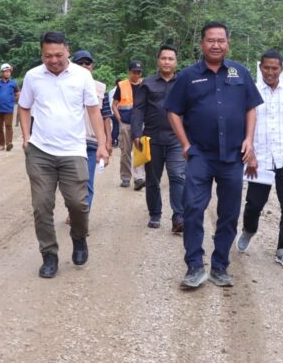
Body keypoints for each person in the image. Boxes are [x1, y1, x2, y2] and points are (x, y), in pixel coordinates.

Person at [165, 21, 263, 289]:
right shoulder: (188, 76)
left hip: (233, 157)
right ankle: (195, 266)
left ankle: (220, 266)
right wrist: (185, 144)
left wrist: (249, 140)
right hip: (200, 156)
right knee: (193, 208)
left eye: (221, 40)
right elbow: (173, 110)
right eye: (211, 40)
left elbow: (251, 108)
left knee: (229, 213)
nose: (216, 45)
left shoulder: (239, 73)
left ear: (228, 43)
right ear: (202, 44)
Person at [18, 32, 110, 279]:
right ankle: (49, 255)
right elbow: (24, 107)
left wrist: (102, 144)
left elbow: (93, 111)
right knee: (41, 206)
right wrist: (26, 136)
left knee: (78, 204)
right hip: (40, 151)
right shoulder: (33, 76)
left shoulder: (82, 76)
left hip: (73, 150)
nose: (54, 60)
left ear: (68, 51)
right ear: (42, 54)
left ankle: (79, 238)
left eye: (59, 55)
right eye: (48, 56)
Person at [236, 50, 283, 268]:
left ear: (281, 69)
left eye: (274, 68)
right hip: (260, 160)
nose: (270, 72)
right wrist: (251, 156)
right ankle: (249, 230)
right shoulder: (251, 92)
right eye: (266, 68)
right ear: (260, 68)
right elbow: (243, 126)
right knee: (254, 204)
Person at [131, 44, 185, 232]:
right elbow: (138, 109)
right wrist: (136, 133)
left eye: (171, 59)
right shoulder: (147, 84)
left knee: (178, 176)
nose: (167, 62)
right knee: (153, 178)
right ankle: (155, 213)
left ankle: (179, 217)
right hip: (151, 138)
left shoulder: (184, 83)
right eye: (164, 58)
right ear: (158, 61)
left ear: (176, 62)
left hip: (176, 139)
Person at [71, 50, 113, 212]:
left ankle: (82, 218)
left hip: (91, 142)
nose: (84, 66)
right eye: (79, 63)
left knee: (87, 181)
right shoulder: (65, 86)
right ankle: (74, 211)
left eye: (87, 63)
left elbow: (106, 116)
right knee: (71, 183)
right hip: (70, 142)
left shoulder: (100, 88)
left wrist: (108, 141)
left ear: (92, 66)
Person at [112, 61, 146, 190]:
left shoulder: (145, 85)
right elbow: (114, 105)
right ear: (129, 72)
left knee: (139, 151)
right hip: (126, 123)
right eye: (134, 72)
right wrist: (119, 119)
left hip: (141, 124)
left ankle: (139, 178)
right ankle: (125, 178)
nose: (136, 75)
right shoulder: (122, 85)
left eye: (139, 72)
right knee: (125, 151)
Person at [0, 63, 20, 151]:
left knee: (8, 126)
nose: (7, 73)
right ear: (1, 72)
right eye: (5, 72)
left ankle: (9, 143)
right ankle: (1, 144)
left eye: (9, 72)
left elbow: (18, 94)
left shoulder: (13, 84)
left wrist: (13, 100)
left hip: (8, 108)